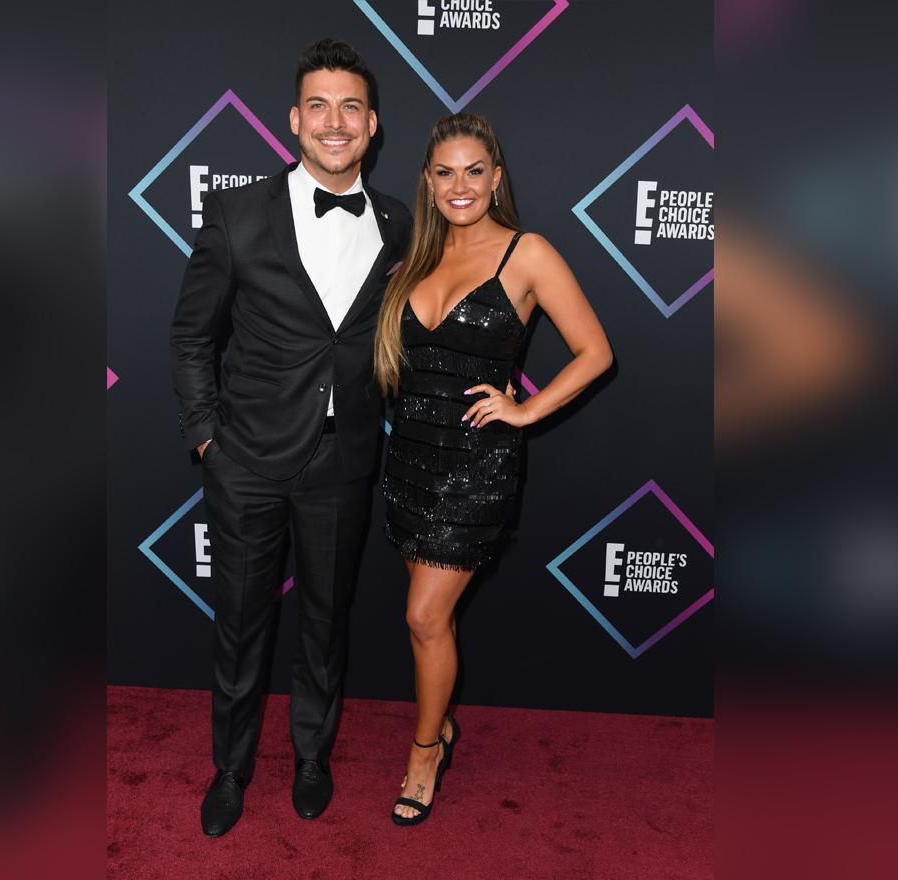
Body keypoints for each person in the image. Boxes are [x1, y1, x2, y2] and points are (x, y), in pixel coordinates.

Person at [170, 39, 412, 838]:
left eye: (350, 107)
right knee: (240, 625)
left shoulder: (401, 224)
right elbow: (192, 335)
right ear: (294, 121)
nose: (333, 122)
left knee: (324, 622)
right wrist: (208, 438)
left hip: (343, 464)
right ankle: (230, 770)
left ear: (372, 125)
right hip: (247, 462)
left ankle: (313, 754)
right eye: (318, 106)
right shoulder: (239, 213)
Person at [374, 112, 613, 825]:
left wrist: (526, 411)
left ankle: (425, 752)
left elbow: (595, 351)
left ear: (497, 178)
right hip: (410, 460)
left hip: (475, 469)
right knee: (423, 623)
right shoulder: (413, 258)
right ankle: (439, 723)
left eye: (475, 170)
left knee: (423, 616)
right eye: (444, 172)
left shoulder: (527, 254)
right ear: (427, 180)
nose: (460, 185)